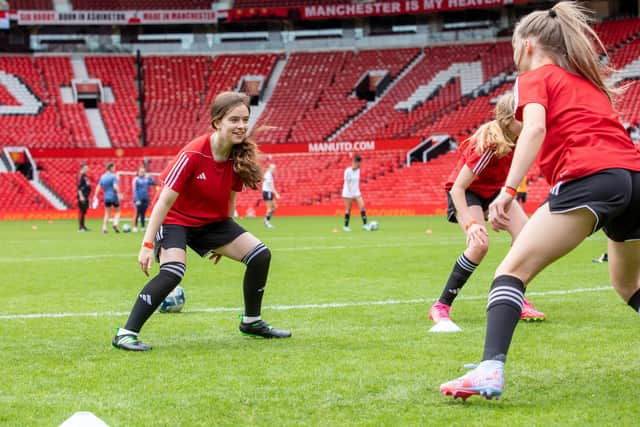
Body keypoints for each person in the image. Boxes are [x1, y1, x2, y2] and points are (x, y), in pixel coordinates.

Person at [440, 1, 640, 401]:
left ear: (528, 44)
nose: (514, 53)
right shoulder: (585, 81)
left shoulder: (533, 77)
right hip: (634, 179)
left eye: (515, 44)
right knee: (629, 283)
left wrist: (508, 191)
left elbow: (533, 129)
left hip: (590, 178)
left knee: (510, 271)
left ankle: (489, 371)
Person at [112, 92, 291, 351]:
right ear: (217, 122)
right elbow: (163, 201)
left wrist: (225, 238)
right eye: (234, 120)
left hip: (212, 223)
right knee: (173, 272)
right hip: (175, 220)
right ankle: (126, 333)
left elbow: (229, 197)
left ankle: (251, 322)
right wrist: (147, 244)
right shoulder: (193, 154)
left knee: (260, 255)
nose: (241, 126)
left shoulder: (238, 155)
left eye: (245, 120)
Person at [429, 92, 545, 333]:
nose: (529, 120)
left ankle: (514, 296)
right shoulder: (490, 145)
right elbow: (458, 188)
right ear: (508, 119)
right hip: (466, 193)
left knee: (528, 238)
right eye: (522, 116)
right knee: (479, 244)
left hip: (495, 192)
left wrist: (500, 204)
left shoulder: (523, 139)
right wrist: (472, 225)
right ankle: (441, 305)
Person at [342, 154, 370, 231]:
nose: (360, 164)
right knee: (349, 209)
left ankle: (365, 225)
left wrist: (355, 194)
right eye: (359, 162)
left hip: (357, 192)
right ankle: (345, 226)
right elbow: (347, 183)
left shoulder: (358, 170)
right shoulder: (347, 171)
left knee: (362, 206)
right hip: (348, 193)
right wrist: (351, 194)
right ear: (355, 162)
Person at [93, 162, 121, 234]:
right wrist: (119, 193)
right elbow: (115, 186)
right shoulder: (113, 176)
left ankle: (104, 227)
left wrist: (95, 196)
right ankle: (115, 224)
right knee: (117, 211)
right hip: (113, 197)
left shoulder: (103, 176)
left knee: (107, 213)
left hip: (106, 197)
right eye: (114, 167)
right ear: (111, 168)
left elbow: (98, 187)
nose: (114, 169)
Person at [132, 166, 156, 232]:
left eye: (143, 172)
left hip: (145, 199)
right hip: (138, 199)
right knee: (137, 213)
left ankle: (143, 227)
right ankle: (135, 227)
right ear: (138, 172)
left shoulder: (146, 179)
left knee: (143, 213)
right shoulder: (136, 179)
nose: (142, 173)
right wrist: (137, 199)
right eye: (141, 171)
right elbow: (135, 190)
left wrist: (150, 177)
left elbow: (154, 183)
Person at [262, 163, 280, 228]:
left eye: (274, 168)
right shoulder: (268, 175)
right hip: (267, 192)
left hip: (268, 192)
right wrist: (276, 194)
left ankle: (266, 220)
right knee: (270, 208)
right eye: (273, 168)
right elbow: (271, 186)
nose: (274, 169)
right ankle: (267, 223)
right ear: (270, 168)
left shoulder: (268, 174)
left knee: (274, 207)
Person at [77, 163, 91, 232]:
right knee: (81, 211)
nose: (87, 169)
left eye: (87, 168)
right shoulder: (80, 176)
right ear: (82, 168)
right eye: (86, 168)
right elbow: (79, 187)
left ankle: (83, 226)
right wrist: (81, 196)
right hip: (82, 196)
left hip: (85, 195)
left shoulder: (85, 176)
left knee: (84, 211)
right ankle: (80, 227)